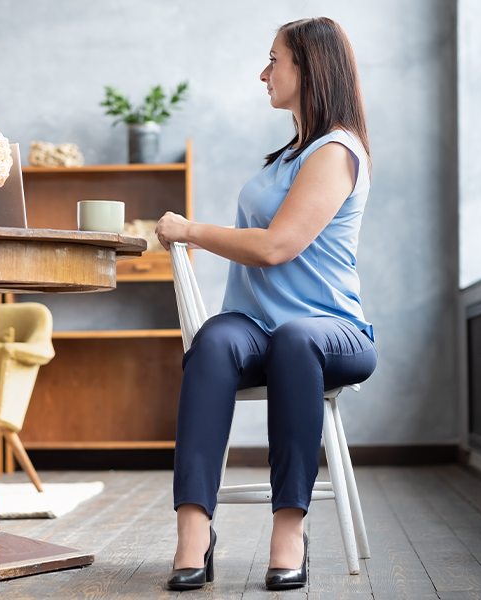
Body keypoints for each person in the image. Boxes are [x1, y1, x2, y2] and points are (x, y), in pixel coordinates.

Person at [154, 17, 378, 592]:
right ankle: (193, 530)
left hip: (332, 333)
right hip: (258, 329)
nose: (264, 73)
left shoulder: (336, 151)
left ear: (309, 66)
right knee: (213, 340)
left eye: (273, 60)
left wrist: (190, 230)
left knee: (296, 338)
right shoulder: (288, 153)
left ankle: (289, 529)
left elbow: (278, 247)